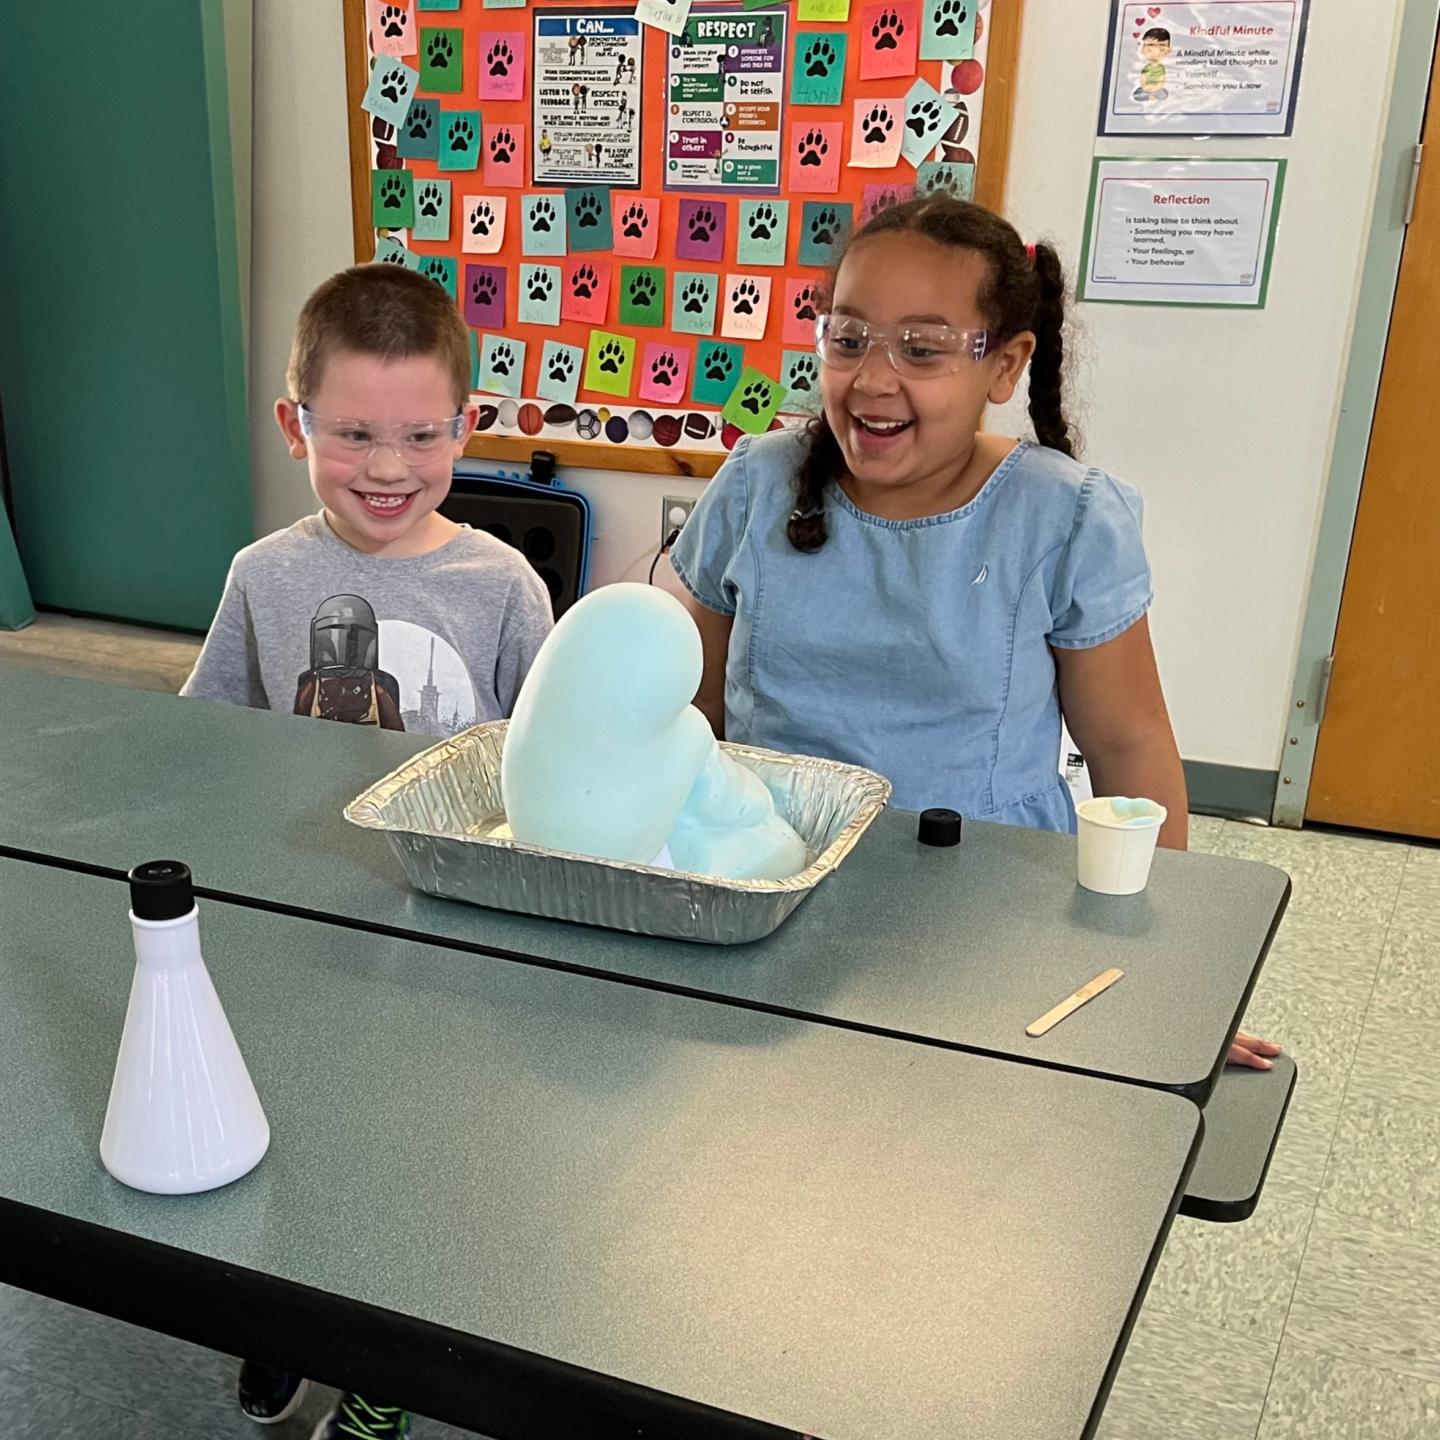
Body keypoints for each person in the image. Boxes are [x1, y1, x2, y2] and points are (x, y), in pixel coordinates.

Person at [670, 195, 1281, 1071]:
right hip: (765, 888)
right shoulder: (758, 484)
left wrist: (1161, 976)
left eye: (922, 349)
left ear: (1006, 364)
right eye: (848, 338)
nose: (873, 379)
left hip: (989, 915)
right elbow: (690, 709)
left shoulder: (1063, 518)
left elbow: (1130, 744)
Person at [183, 263, 552, 747]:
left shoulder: (506, 584)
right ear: (296, 429)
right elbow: (207, 734)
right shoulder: (261, 574)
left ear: (463, 430)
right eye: (355, 435)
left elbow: (550, 750)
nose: (388, 470)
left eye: (421, 436)